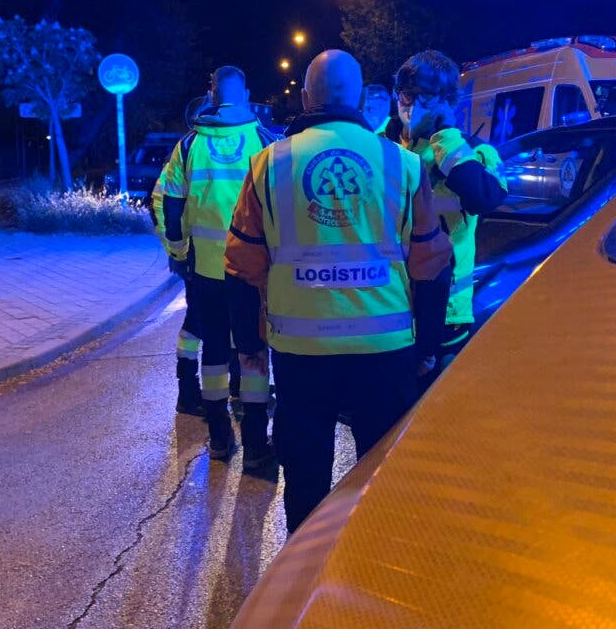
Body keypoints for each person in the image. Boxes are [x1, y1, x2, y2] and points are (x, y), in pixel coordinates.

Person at [224, 49, 453, 533]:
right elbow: (431, 264)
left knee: (305, 479)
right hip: (386, 353)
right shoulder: (403, 165)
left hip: (300, 355)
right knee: (380, 480)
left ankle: (303, 588)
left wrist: (248, 345)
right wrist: (428, 347)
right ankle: (371, 576)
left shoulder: (268, 165)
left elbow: (242, 265)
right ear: (360, 97)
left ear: (307, 98)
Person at [161, 66, 280, 474]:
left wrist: (178, 252)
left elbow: (170, 205)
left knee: (212, 352)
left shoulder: (189, 144)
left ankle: (217, 439)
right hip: (249, 271)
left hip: (206, 271)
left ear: (211, 94)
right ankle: (255, 447)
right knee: (251, 353)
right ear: (245, 94)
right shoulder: (263, 141)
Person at [394, 51, 508, 381]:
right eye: (406, 95)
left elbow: (484, 197)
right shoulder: (385, 148)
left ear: (447, 100)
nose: (411, 106)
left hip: (447, 315)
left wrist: (444, 138)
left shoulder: (476, 153)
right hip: (391, 307)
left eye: (424, 97)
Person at [150, 95, 211, 416]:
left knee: (208, 324)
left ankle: (206, 391)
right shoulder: (186, 153)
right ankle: (188, 392)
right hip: (195, 260)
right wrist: (178, 252)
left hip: (206, 259)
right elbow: (162, 204)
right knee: (196, 325)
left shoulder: (198, 152)